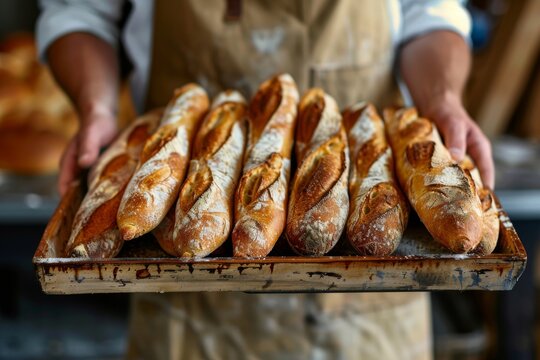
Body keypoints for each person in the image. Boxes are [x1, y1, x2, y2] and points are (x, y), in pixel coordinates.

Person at [37, 1, 494, 359]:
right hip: (181, 294)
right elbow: (79, 11)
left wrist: (444, 100)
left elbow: (429, 13)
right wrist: (96, 108)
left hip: (369, 299)